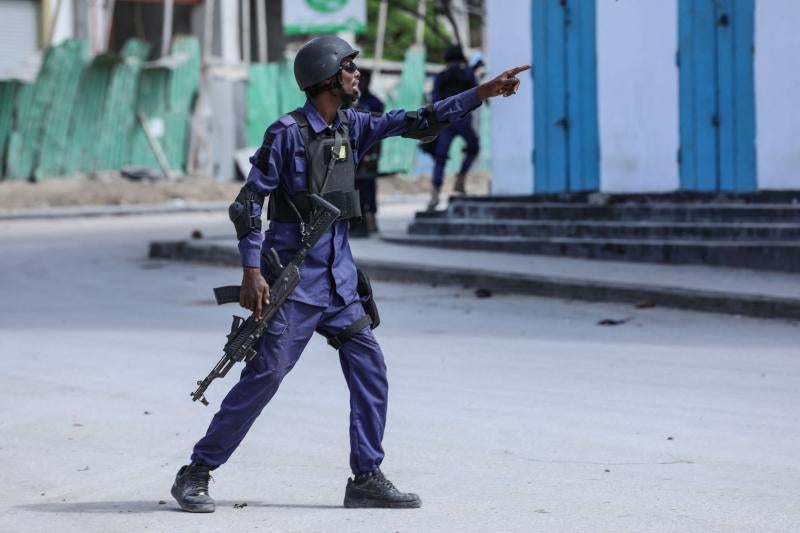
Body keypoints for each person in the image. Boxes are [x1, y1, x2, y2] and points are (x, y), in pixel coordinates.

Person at [170, 35, 530, 513]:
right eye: (349, 68)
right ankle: (197, 471)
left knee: (370, 367)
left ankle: (366, 477)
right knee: (266, 375)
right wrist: (251, 270)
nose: (357, 75)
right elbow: (248, 203)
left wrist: (477, 95)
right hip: (293, 282)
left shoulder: (352, 126)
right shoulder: (286, 135)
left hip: (339, 282)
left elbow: (418, 120)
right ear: (325, 79)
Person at [427, 44, 481, 211]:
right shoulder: (468, 74)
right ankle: (460, 179)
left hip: (446, 122)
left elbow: (434, 100)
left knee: (440, 158)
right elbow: (477, 94)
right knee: (473, 148)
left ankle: (435, 195)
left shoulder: (441, 77)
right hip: (463, 120)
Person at [350, 68, 384, 237]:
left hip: (369, 151)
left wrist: (374, 155)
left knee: (368, 186)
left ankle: (370, 220)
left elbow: (379, 131)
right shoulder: (352, 101)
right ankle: (356, 222)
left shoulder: (375, 103)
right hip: (353, 153)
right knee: (353, 187)